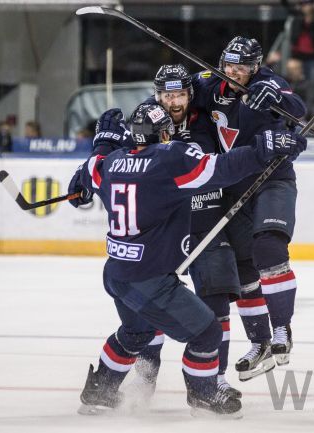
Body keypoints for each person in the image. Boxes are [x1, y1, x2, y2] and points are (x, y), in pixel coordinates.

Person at [68, 103, 306, 416]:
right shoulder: (170, 159)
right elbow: (223, 168)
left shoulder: (110, 162)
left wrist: (102, 142)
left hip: (117, 273)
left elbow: (86, 175)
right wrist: (266, 149)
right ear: (164, 133)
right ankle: (203, 395)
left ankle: (100, 390)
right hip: (150, 278)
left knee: (136, 332)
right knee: (207, 332)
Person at [191, 36, 306, 381]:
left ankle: (282, 329)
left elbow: (297, 108)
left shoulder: (267, 83)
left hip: (272, 179)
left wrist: (276, 99)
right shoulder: (209, 85)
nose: (234, 71)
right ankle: (261, 343)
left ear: (255, 66)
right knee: (243, 272)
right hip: (233, 185)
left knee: (269, 248)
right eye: (229, 64)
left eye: (242, 67)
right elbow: (176, 100)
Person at [133, 64, 242, 400]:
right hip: (162, 232)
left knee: (217, 306)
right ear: (157, 95)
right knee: (152, 306)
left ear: (189, 95)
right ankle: (144, 377)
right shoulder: (142, 125)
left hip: (206, 225)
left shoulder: (209, 120)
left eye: (180, 94)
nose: (174, 101)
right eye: (167, 94)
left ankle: (215, 381)